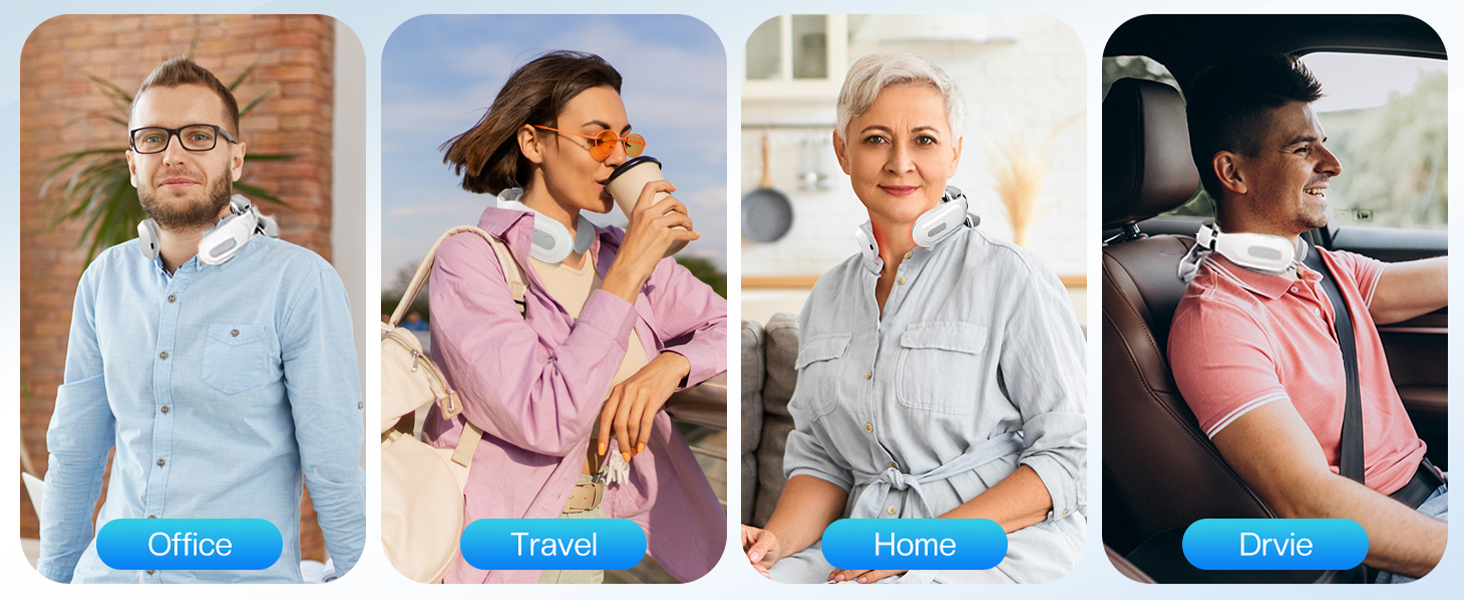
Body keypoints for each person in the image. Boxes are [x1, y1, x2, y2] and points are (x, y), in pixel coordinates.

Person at [740, 52, 1086, 584]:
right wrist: (772, 544)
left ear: (954, 154)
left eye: (924, 140)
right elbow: (823, 463)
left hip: (999, 546)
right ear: (842, 151)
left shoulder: (1013, 277)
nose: (900, 162)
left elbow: (1067, 459)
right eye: (876, 139)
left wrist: (920, 547)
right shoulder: (828, 296)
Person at [38, 56, 365, 583]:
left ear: (235, 159)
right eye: (152, 139)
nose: (173, 154)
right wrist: (49, 582)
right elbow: (75, 453)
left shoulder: (301, 282)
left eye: (198, 136)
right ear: (132, 162)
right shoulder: (104, 279)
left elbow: (333, 466)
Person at [426, 50, 726, 584]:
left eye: (626, 140)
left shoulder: (617, 255)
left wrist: (671, 365)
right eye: (596, 138)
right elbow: (545, 419)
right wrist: (632, 268)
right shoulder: (472, 259)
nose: (617, 159)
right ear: (533, 142)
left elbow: (729, 325)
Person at [1170, 55, 1448, 583]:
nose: (1333, 163)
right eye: (1304, 149)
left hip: (1435, 490)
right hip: (1388, 549)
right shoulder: (1219, 322)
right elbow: (1309, 504)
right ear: (1233, 172)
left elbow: (1434, 280)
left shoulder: (1320, 268)